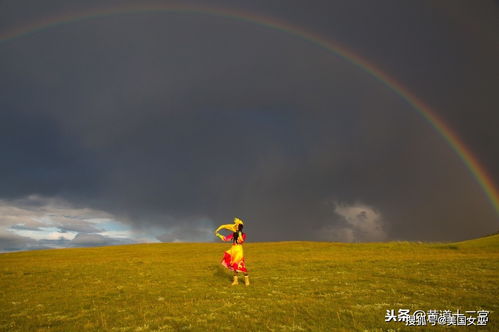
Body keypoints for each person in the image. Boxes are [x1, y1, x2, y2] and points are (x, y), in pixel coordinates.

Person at [215, 217, 249, 286]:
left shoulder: (243, 234)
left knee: (241, 265)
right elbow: (225, 239)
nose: (236, 227)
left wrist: (239, 235)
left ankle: (247, 281)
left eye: (237, 226)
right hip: (233, 249)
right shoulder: (233, 234)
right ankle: (235, 281)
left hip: (239, 250)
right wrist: (218, 235)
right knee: (234, 266)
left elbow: (241, 241)